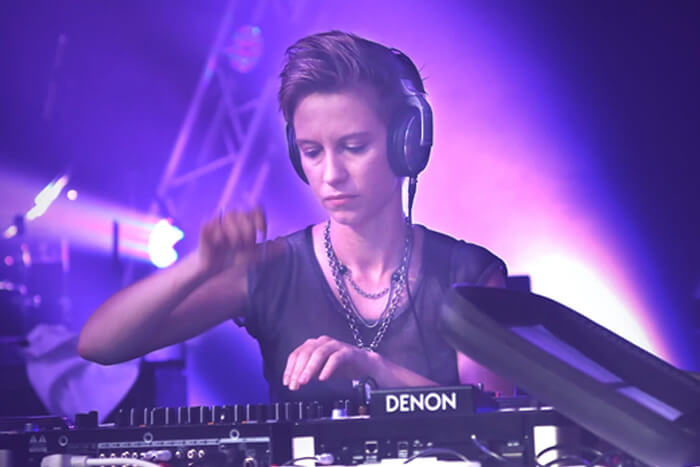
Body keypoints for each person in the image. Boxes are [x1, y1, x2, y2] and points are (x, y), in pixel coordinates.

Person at [78, 31, 508, 404]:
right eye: (312, 152)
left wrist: (375, 370)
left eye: (354, 147)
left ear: (406, 143)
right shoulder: (273, 269)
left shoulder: (468, 274)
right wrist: (199, 267)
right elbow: (99, 345)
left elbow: (496, 417)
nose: (331, 174)